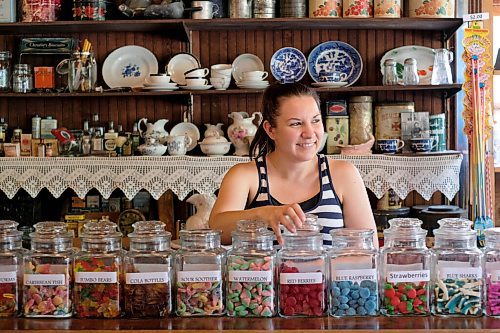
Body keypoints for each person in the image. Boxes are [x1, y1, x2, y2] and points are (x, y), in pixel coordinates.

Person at [209, 82, 376, 246]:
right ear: (270, 130)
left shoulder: (343, 173)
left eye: (316, 121)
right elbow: (217, 230)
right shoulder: (245, 175)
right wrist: (263, 214)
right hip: (266, 274)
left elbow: (368, 247)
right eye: (296, 123)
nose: (310, 133)